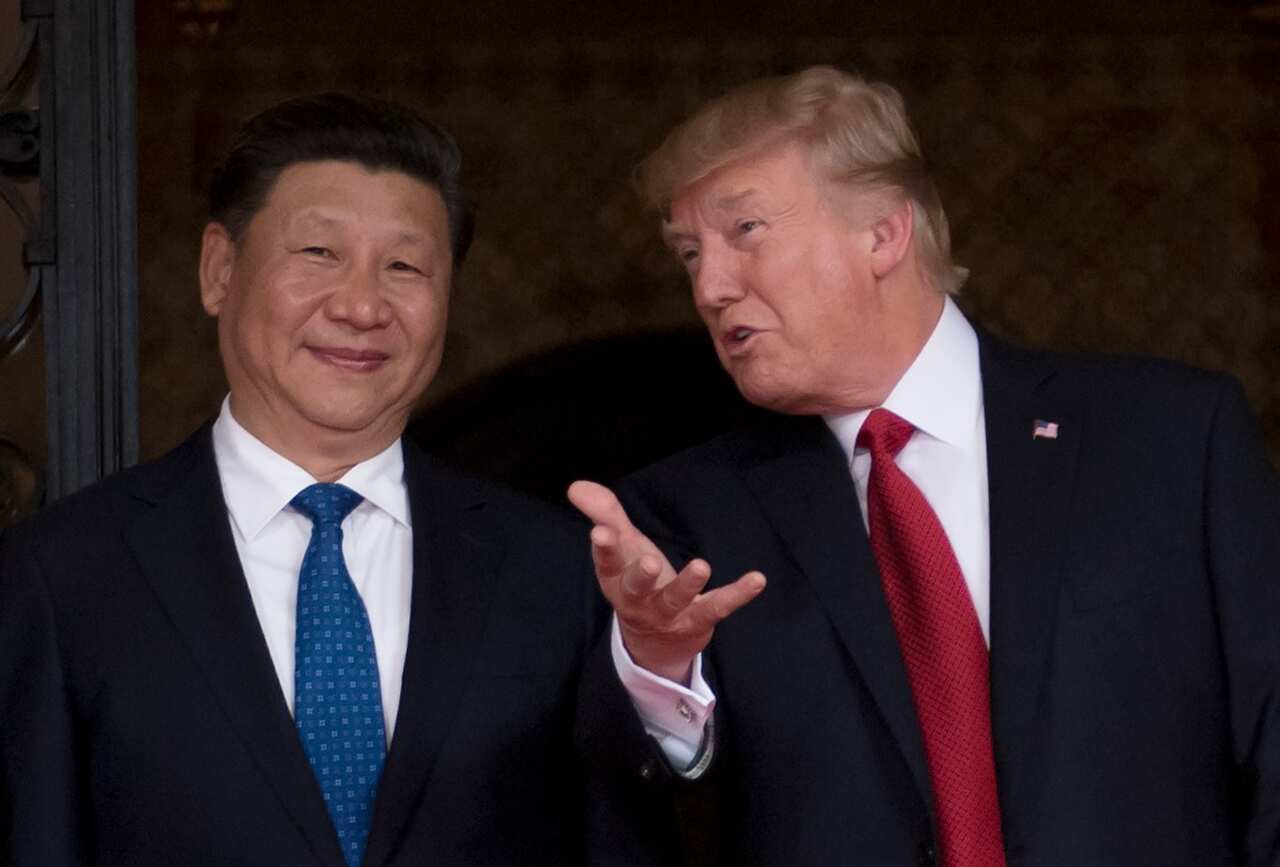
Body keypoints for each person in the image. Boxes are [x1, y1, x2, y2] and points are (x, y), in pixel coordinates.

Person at [569, 66, 1280, 866]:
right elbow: (628, 819)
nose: (709, 285)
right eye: (689, 252)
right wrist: (658, 665)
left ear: (882, 232)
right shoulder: (681, 520)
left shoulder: (1172, 440)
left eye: (746, 232)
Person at [0, 93, 678, 866]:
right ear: (219, 269)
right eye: (319, 253)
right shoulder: (64, 575)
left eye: (404, 265)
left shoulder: (556, 572)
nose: (361, 305)